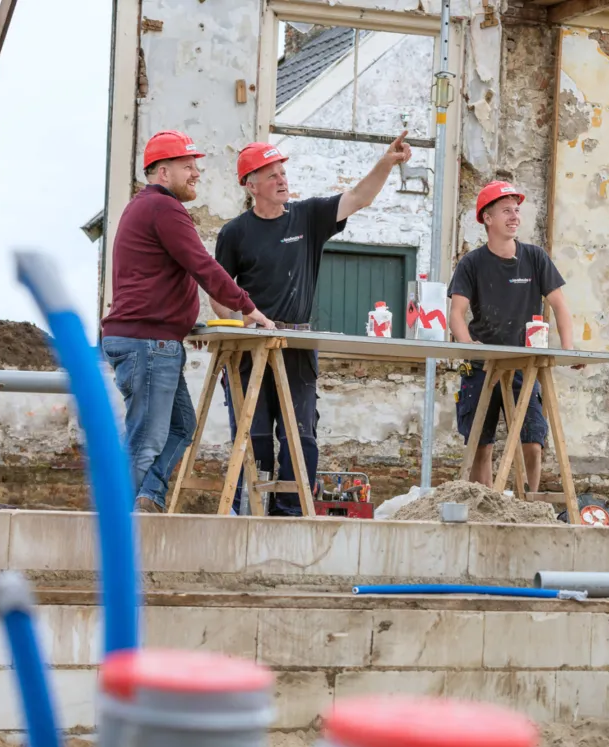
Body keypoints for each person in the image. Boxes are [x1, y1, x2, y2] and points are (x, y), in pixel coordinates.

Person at [210, 134, 412, 515]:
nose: (282, 179)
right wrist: (234, 331)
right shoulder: (235, 233)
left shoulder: (308, 216)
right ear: (250, 185)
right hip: (251, 348)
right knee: (252, 435)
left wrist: (387, 162)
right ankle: (248, 513)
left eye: (283, 172)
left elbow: (358, 198)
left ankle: (289, 516)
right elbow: (219, 291)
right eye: (271, 175)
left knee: (299, 434)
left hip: (296, 346)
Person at [100, 130, 274, 514]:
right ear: (163, 172)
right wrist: (249, 309)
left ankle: (148, 499)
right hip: (148, 343)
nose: (197, 173)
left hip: (151, 340)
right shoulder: (164, 209)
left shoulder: (143, 208)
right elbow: (202, 265)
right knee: (146, 440)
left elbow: (164, 275)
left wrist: (184, 325)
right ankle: (111, 525)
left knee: (181, 427)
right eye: (188, 166)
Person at [449, 181, 577, 493]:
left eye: (516, 210)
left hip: (525, 365)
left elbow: (559, 305)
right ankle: (486, 506)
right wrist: (468, 346)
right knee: (482, 445)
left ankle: (528, 505)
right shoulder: (472, 263)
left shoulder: (535, 258)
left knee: (533, 441)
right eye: (506, 210)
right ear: (487, 218)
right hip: (483, 365)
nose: (514, 216)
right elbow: (456, 314)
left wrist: (569, 349)